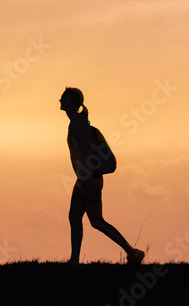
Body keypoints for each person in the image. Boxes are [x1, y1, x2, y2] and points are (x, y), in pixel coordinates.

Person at [60, 87, 144, 265]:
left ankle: (132, 252)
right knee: (86, 220)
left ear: (73, 104)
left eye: (64, 97)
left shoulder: (80, 127)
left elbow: (94, 157)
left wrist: (90, 184)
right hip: (85, 179)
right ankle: (76, 260)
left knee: (93, 220)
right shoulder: (75, 125)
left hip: (89, 181)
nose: (60, 99)